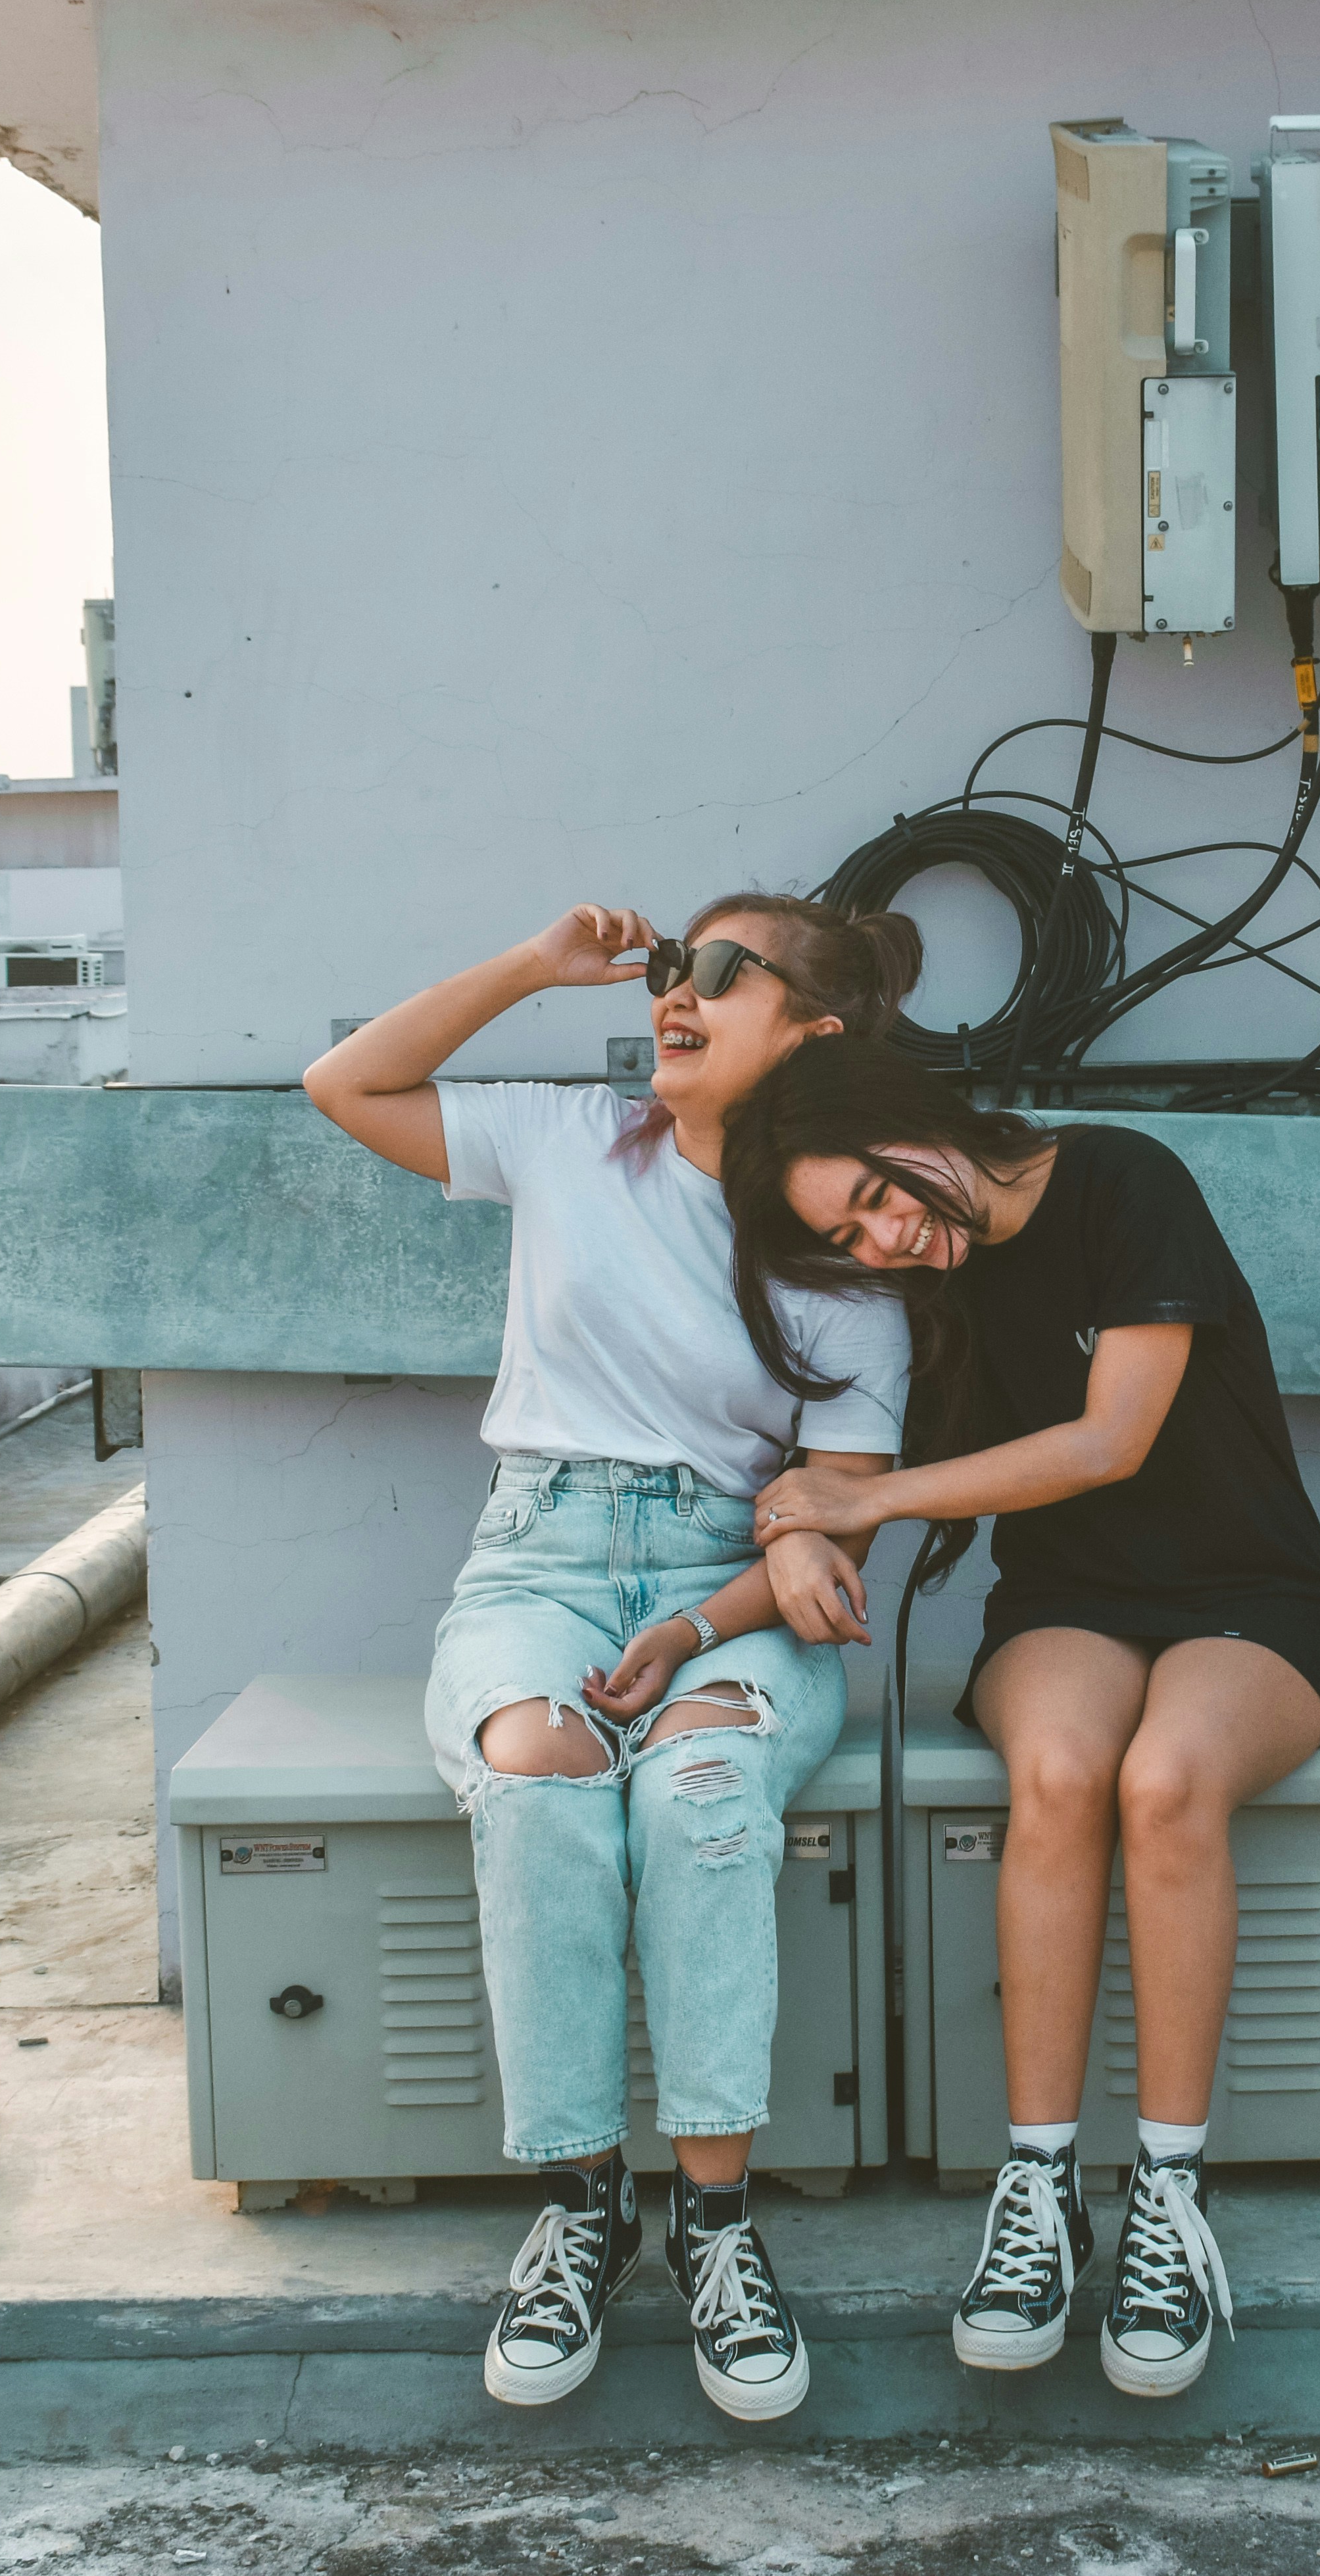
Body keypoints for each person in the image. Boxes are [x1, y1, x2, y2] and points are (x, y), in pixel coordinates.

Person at [303, 894, 920, 2424]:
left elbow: (836, 1534)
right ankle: (583, 2204)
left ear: (812, 1033)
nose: (677, 994)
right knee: (537, 1773)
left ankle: (716, 2215)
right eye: (668, 968)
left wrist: (763, 1566)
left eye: (722, 973)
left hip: (732, 1593)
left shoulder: (847, 1246)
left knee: (703, 1783)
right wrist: (530, 963)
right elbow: (347, 1088)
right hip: (539, 1556)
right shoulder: (575, 1137)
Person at [718, 1036, 1320, 2399]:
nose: (889, 1238)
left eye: (883, 1195)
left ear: (908, 1113)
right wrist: (796, 1535)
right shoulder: (920, 1294)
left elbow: (1112, 1436)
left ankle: (1170, 2205)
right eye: (852, 1234)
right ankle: (1040, 2188)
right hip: (1067, 1602)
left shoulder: (1123, 1179)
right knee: (1062, 1768)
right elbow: (847, 1465)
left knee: (1169, 1777)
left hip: (1254, 1598)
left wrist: (864, 1507)